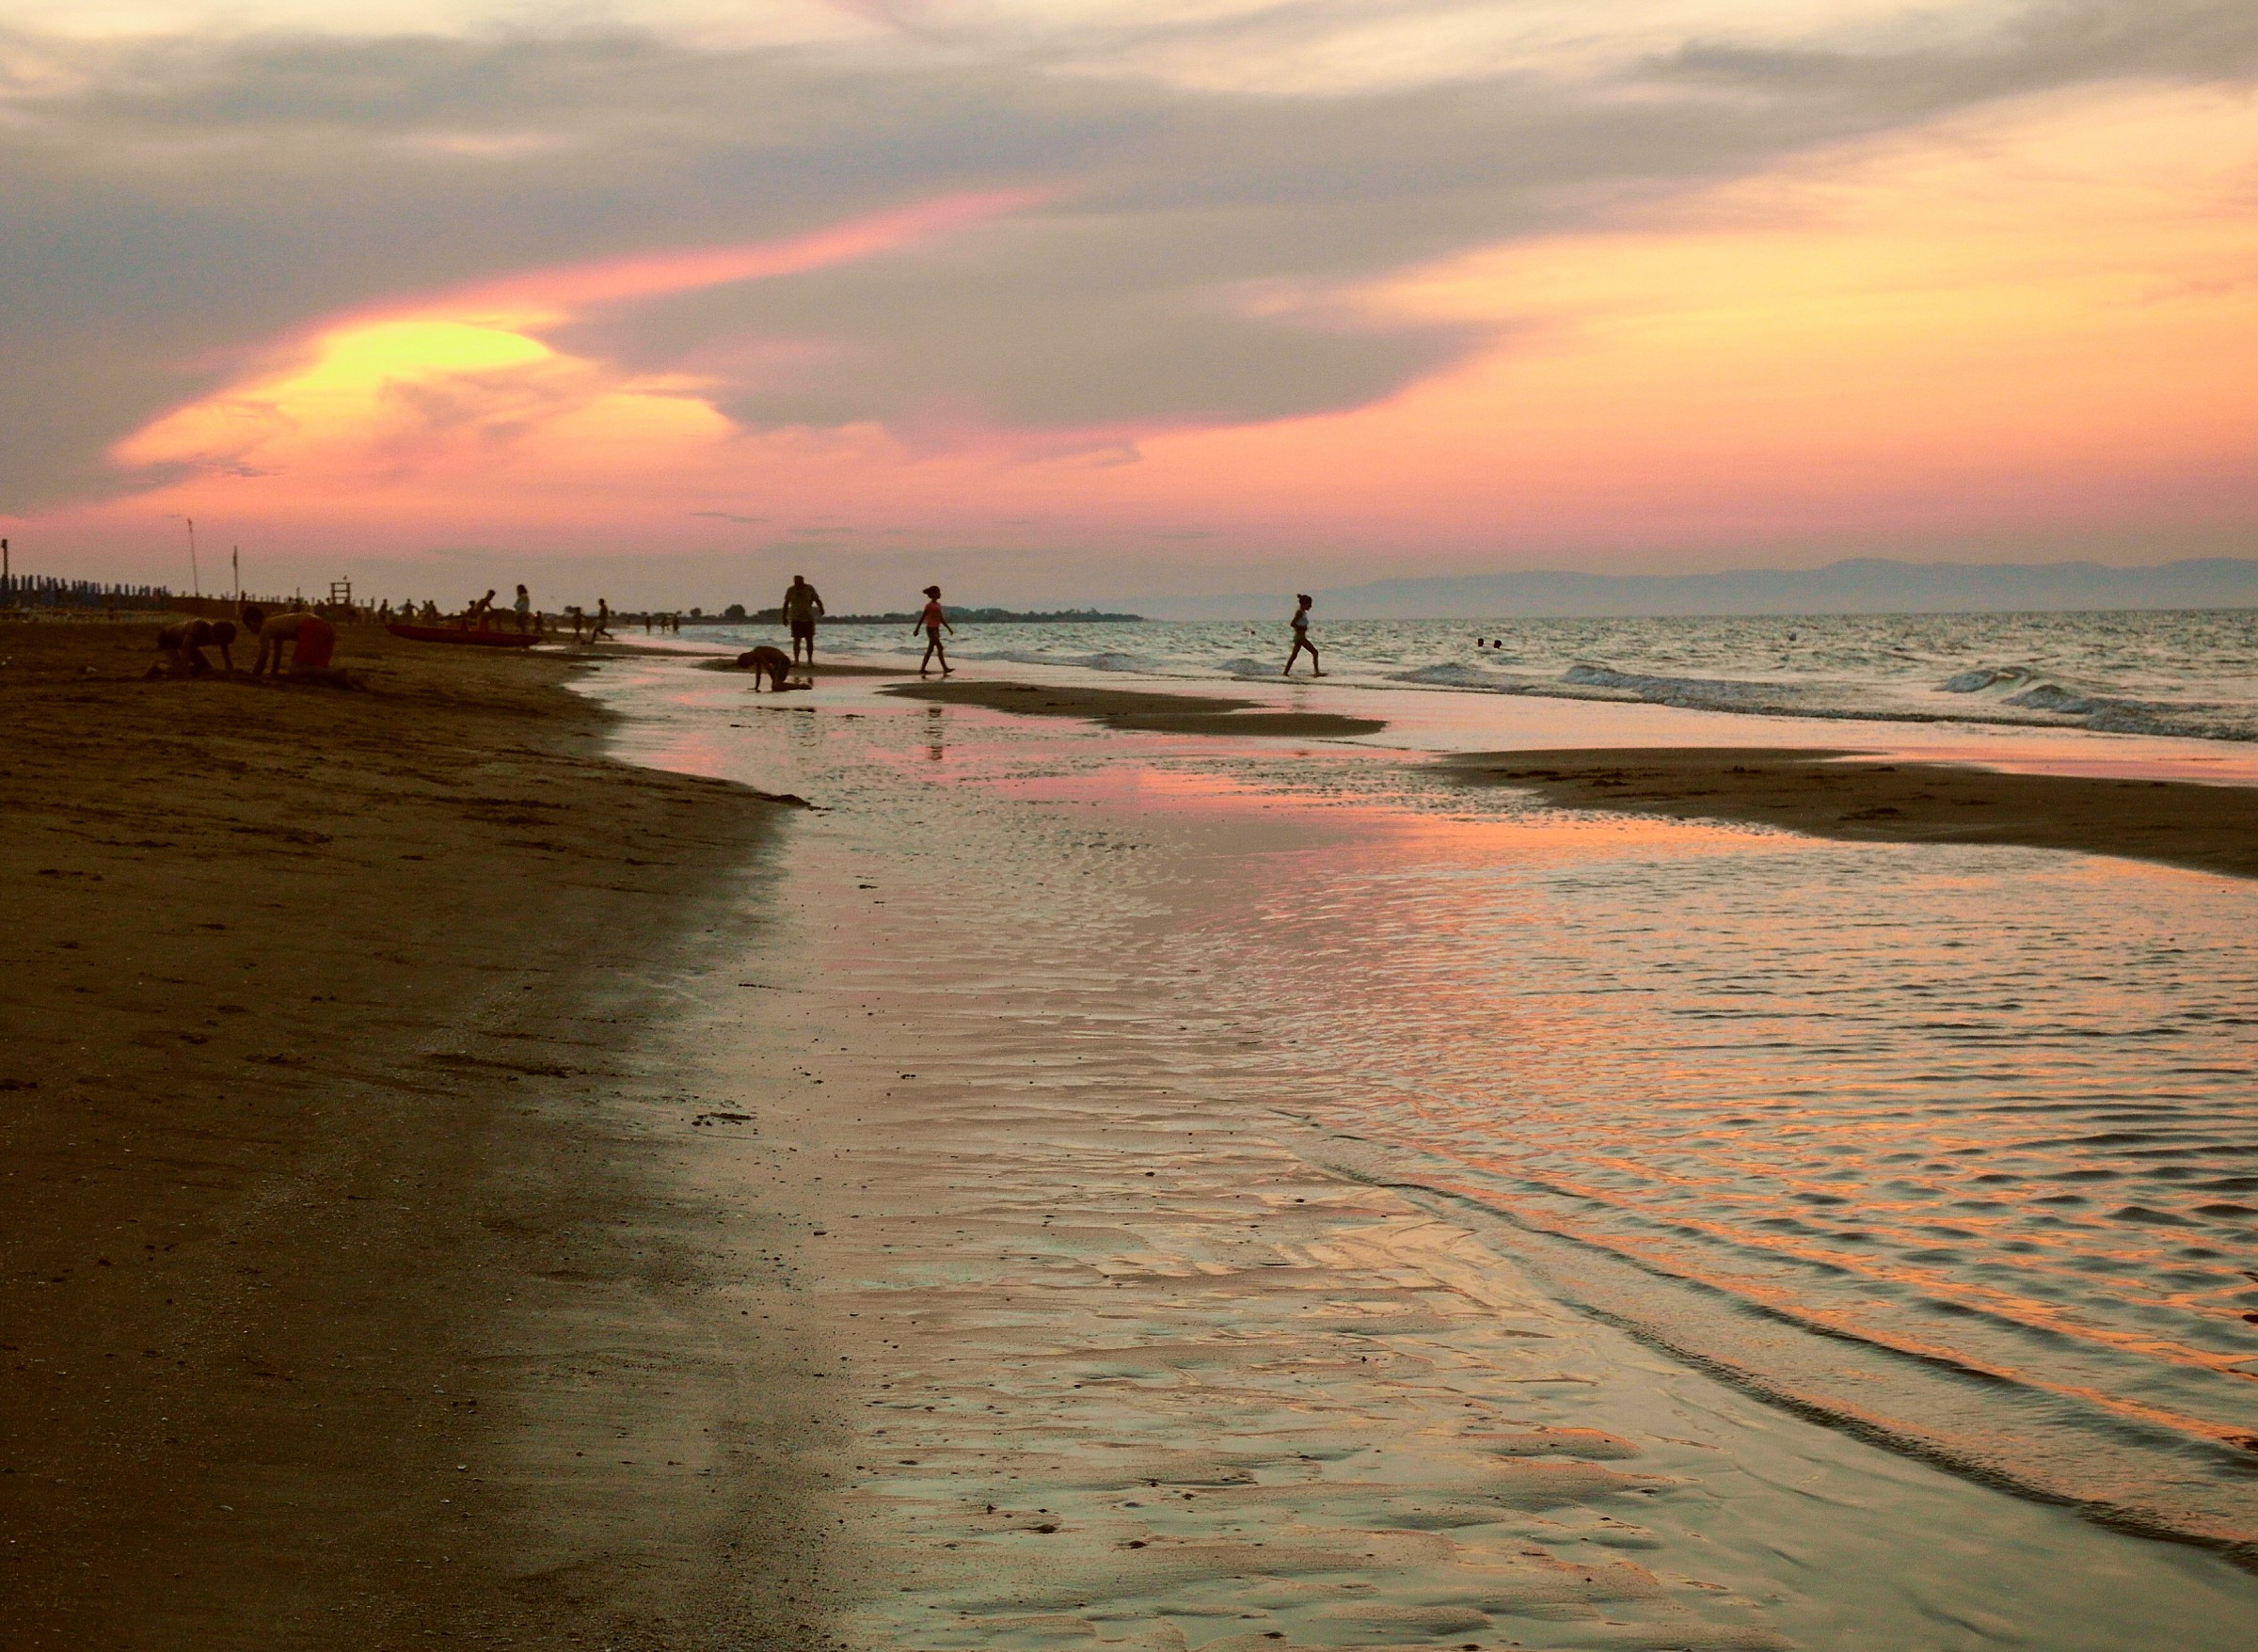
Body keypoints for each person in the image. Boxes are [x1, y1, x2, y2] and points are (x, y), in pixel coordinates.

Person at [244, 604, 336, 676]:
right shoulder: (273, 623)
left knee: (296, 669)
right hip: (324, 626)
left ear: (251, 622)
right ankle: (340, 676)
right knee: (316, 668)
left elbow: (264, 654)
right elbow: (278, 652)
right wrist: (273, 672)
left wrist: (255, 674)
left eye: (249, 627)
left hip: (310, 626)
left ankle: (337, 674)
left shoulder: (264, 629)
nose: (251, 631)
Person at [150, 618, 237, 677]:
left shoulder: (220, 635)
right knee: (179, 672)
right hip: (168, 639)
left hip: (188, 644)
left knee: (206, 669)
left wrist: (230, 673)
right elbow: (185, 649)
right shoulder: (197, 626)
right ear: (214, 635)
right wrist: (183, 669)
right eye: (217, 642)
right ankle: (159, 666)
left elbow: (226, 658)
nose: (217, 645)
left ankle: (171, 668)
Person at [780, 574, 826, 666]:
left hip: (808, 618)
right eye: (795, 582)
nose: (797, 584)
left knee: (809, 640)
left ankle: (810, 661)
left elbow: (817, 600)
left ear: (803, 581)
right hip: (796, 618)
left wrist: (821, 609)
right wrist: (784, 617)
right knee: (796, 640)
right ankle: (796, 661)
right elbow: (786, 603)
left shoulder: (809, 589)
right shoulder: (791, 590)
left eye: (799, 582)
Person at [914, 585, 953, 677]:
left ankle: (922, 669)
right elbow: (922, 617)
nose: (940, 594)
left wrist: (948, 628)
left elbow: (941, 618)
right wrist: (917, 629)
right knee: (940, 647)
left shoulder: (938, 605)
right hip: (930, 629)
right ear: (933, 594)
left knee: (930, 649)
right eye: (938, 592)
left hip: (936, 629)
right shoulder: (929, 606)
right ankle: (945, 668)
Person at [1282, 593, 1324, 676]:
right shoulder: (1300, 612)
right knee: (1315, 652)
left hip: (1300, 637)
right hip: (1300, 637)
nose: (1310, 606)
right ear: (1304, 604)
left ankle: (1285, 673)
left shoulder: (1303, 612)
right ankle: (1316, 672)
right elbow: (1292, 624)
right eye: (1309, 604)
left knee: (1294, 656)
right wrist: (1302, 628)